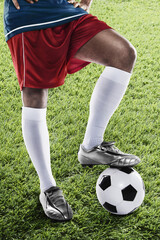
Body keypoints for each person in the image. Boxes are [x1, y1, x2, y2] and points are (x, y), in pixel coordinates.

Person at [4, 0, 140, 222]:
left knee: (123, 54)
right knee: (35, 96)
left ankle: (91, 146)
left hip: (66, 10)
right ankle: (48, 188)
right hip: (29, 16)